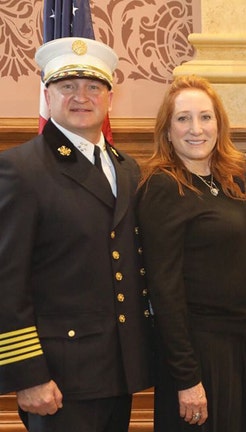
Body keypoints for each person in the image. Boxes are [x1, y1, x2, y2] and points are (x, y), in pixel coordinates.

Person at [0, 37, 153, 431]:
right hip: (57, 377)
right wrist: (28, 374)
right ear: (47, 95)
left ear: (109, 98)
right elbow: (7, 282)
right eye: (67, 86)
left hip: (118, 370)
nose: (81, 96)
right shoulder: (21, 168)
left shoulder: (128, 168)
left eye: (93, 86)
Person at [136, 75, 246, 431]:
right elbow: (164, 290)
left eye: (205, 117)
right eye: (183, 118)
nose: (196, 129)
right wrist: (187, 377)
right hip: (200, 353)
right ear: (167, 130)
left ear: (219, 124)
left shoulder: (233, 179)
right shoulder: (162, 186)